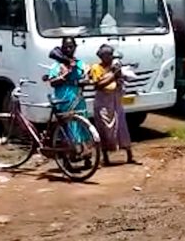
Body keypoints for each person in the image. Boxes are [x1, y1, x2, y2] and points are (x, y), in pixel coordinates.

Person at [89, 44, 139, 166]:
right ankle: (105, 157)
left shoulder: (115, 66)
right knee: (105, 128)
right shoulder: (96, 68)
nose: (110, 57)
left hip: (115, 101)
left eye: (111, 55)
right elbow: (98, 85)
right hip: (103, 103)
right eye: (108, 55)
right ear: (102, 56)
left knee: (122, 127)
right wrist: (113, 76)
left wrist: (118, 75)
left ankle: (129, 155)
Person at [45, 37, 92, 168]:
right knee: (66, 129)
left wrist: (85, 79)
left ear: (75, 48)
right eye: (66, 47)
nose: (68, 49)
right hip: (63, 100)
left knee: (82, 128)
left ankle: (87, 157)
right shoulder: (57, 65)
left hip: (77, 99)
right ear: (62, 48)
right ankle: (67, 160)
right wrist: (65, 74)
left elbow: (87, 77)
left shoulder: (80, 64)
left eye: (71, 47)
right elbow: (53, 82)